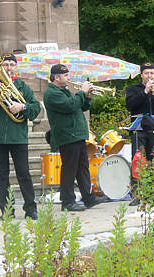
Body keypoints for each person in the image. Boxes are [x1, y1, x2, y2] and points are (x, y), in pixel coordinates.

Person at [0, 53, 40, 220]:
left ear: (16, 67)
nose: (8, 68)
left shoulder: (22, 86)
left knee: (24, 174)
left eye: (12, 64)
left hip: (18, 137)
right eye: (5, 65)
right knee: (2, 175)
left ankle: (30, 208)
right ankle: (6, 211)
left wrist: (22, 107)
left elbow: (35, 110)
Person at [43, 64, 103, 211]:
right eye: (66, 75)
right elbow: (70, 105)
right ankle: (67, 201)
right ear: (56, 77)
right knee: (69, 169)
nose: (69, 78)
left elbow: (80, 106)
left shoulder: (65, 91)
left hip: (77, 134)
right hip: (67, 135)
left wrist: (87, 97)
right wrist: (82, 92)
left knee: (82, 167)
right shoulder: (51, 93)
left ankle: (88, 197)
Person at [125, 62, 154, 206]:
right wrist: (144, 92)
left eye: (152, 73)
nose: (149, 76)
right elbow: (130, 105)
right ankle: (136, 195)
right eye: (147, 73)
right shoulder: (133, 89)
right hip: (139, 131)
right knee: (137, 162)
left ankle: (152, 193)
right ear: (141, 75)